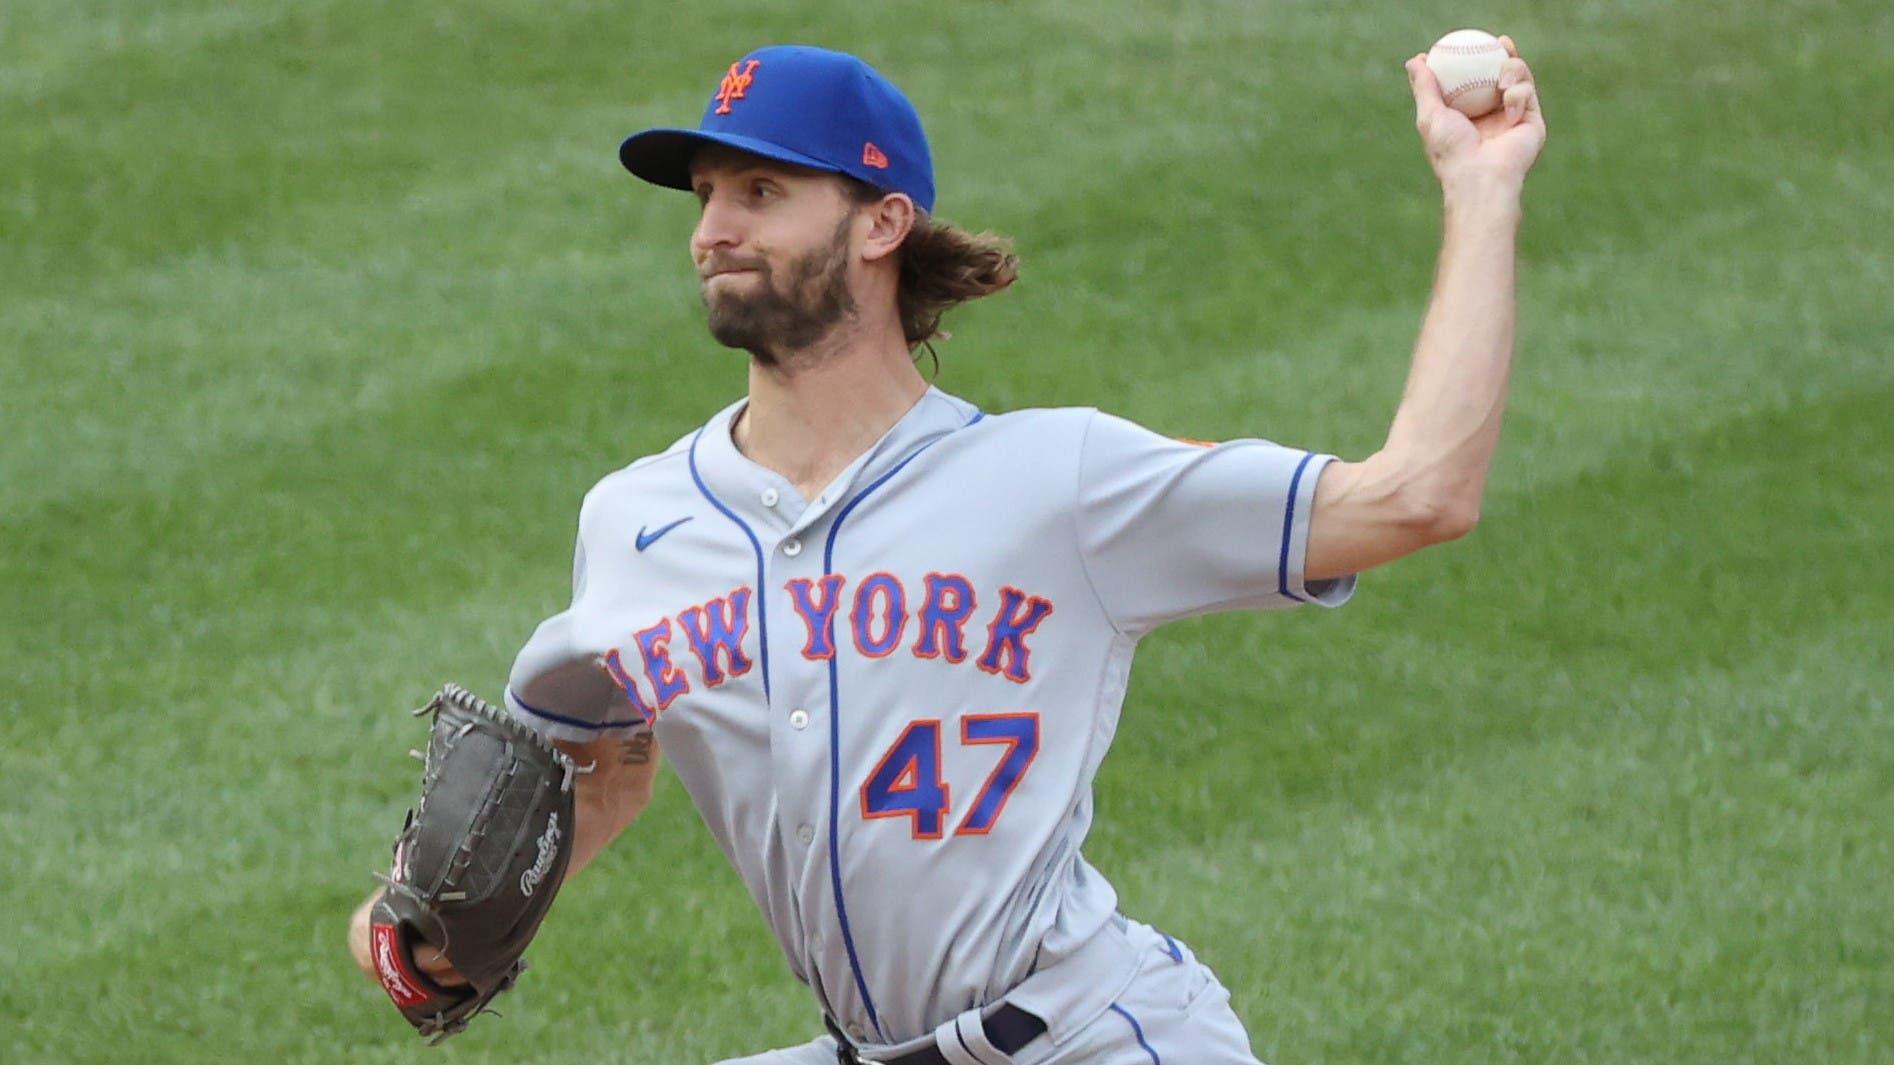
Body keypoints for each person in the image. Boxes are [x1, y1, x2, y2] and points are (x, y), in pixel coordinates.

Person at [349, 41, 1544, 1065]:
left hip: (1092, 1034)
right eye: (705, 194)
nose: (711, 231)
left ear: (882, 222)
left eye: (760, 191)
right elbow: (597, 765)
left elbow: (1416, 495)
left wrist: (1480, 189)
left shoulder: (1054, 483)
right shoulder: (637, 521)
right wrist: (434, 932)